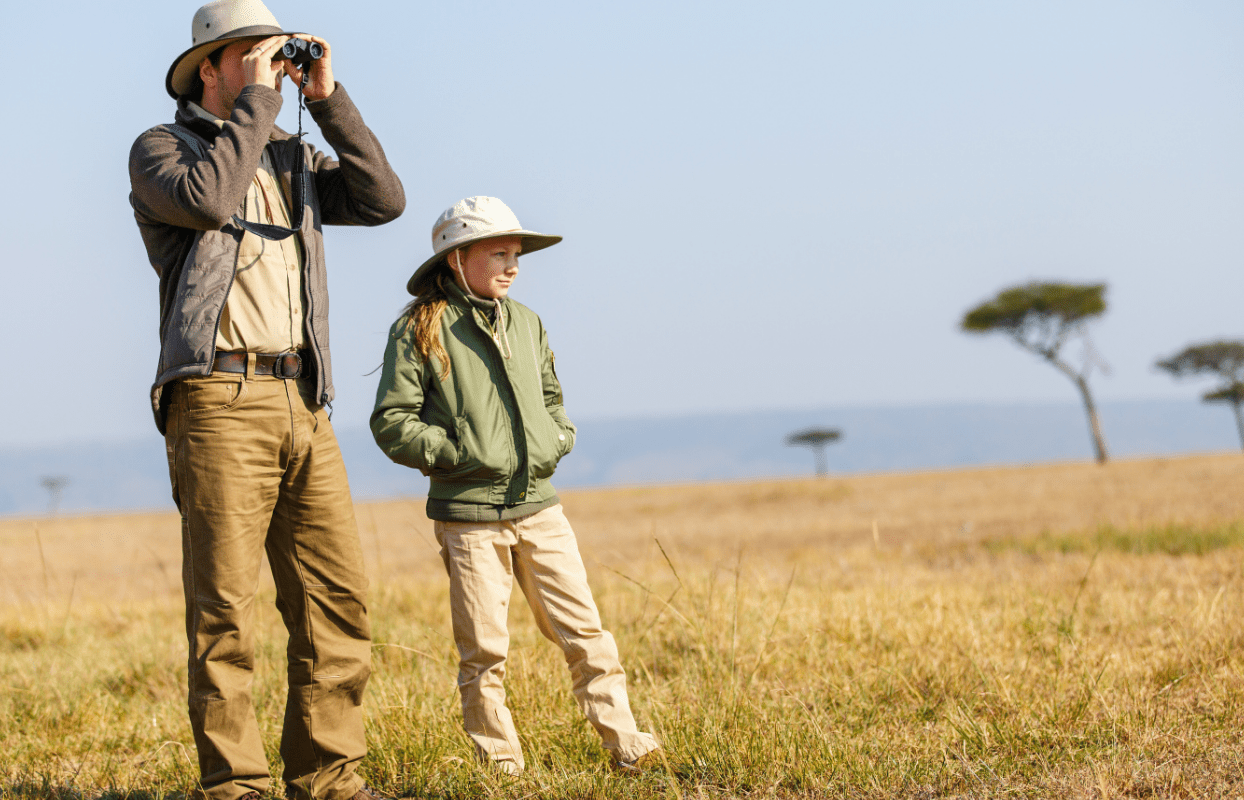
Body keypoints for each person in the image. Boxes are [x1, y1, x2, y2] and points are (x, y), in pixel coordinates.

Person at [127, 1, 405, 798]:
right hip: (216, 395)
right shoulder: (161, 151)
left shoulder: (289, 154)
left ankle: (329, 779)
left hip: (301, 397)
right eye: (246, 54)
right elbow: (211, 200)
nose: (263, 65)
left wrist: (325, 97)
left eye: (270, 53)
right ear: (208, 70)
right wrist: (258, 101)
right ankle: (236, 785)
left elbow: (384, 199)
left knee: (335, 600)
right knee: (225, 612)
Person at [370, 196, 660, 776]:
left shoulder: (526, 322)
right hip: (468, 517)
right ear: (457, 260)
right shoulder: (418, 328)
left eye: (517, 254)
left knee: (585, 631)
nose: (513, 265)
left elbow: (552, 398)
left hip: (540, 508)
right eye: (499, 252)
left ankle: (626, 743)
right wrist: (456, 455)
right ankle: (500, 762)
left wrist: (558, 438)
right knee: (484, 650)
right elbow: (392, 420)